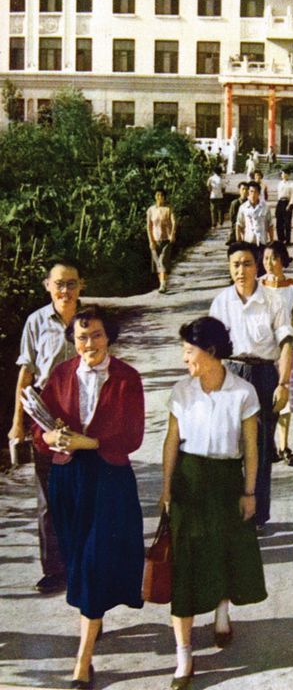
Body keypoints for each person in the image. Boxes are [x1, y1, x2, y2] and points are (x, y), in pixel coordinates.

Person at [34, 305, 144, 688]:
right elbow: (40, 431)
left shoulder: (127, 377)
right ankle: (93, 619)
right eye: (82, 337)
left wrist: (90, 441)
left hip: (110, 477)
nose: (89, 344)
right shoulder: (61, 375)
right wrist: (50, 438)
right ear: (73, 341)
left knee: (95, 559)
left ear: (108, 336)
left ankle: (83, 661)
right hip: (68, 479)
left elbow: (133, 437)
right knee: (79, 559)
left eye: (96, 335)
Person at [160, 317, 267, 690]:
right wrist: (166, 490)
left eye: (190, 351)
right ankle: (184, 656)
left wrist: (250, 491)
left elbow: (252, 448)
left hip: (225, 480)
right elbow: (172, 442)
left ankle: (222, 612)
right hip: (188, 480)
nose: (184, 357)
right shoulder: (181, 390)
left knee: (223, 551)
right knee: (185, 565)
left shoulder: (243, 392)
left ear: (212, 352)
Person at [9, 256, 85, 595]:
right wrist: (17, 423)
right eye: (59, 284)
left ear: (81, 285)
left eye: (71, 283)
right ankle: (54, 569)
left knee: (85, 489)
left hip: (85, 411)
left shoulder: (90, 321)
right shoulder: (36, 322)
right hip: (45, 413)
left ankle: (84, 561)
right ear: (47, 287)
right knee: (49, 494)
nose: (65, 290)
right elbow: (25, 375)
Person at [209, 242, 293, 526]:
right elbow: (209, 349)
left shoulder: (273, 301)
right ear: (229, 268)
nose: (241, 270)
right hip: (229, 375)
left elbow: (286, 344)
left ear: (256, 267)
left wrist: (282, 384)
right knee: (227, 446)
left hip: (262, 376)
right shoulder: (221, 302)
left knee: (259, 447)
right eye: (235, 265)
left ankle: (257, 516)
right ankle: (231, 513)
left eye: (246, 264)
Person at [261, 242, 293, 466]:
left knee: (284, 399)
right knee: (262, 396)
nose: (269, 263)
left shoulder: (292, 287)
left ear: (282, 260)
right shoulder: (257, 285)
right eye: (266, 258)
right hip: (261, 348)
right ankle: (264, 445)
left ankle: (283, 445)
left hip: (285, 347)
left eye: (274, 258)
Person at [236, 181, 274, 274]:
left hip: (262, 241)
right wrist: (239, 239)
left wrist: (272, 239)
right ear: (248, 193)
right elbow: (239, 224)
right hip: (248, 241)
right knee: (249, 267)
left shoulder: (265, 207)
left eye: (255, 192)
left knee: (262, 267)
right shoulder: (243, 207)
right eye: (251, 191)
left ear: (259, 193)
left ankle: (261, 286)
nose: (253, 194)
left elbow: (270, 224)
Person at [146, 187, 177, 294]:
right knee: (158, 264)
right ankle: (162, 283)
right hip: (155, 239)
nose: (160, 197)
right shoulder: (151, 210)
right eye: (158, 195)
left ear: (164, 197)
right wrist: (151, 241)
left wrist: (172, 234)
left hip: (166, 239)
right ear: (155, 197)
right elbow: (149, 226)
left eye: (162, 195)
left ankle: (163, 284)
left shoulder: (168, 209)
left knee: (163, 260)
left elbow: (174, 222)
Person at [275, 168, 293, 246]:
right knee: (279, 223)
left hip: (287, 203)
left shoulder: (291, 184)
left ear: (288, 175)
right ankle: (281, 239)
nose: (284, 175)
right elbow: (278, 195)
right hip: (280, 202)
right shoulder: (279, 183)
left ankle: (288, 240)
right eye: (283, 174)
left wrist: (290, 204)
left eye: (286, 174)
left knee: (287, 223)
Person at [227, 181, 249, 246]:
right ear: (239, 190)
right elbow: (232, 219)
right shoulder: (235, 203)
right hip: (237, 230)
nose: (245, 191)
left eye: (246, 189)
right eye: (243, 189)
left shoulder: (250, 203)